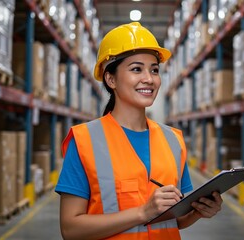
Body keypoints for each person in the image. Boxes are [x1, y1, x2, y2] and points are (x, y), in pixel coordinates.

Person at [55, 22, 223, 240]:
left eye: (154, 70)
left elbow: (174, 219)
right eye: (136, 69)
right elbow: (70, 229)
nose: (149, 79)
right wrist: (142, 212)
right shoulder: (85, 140)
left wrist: (198, 212)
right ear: (111, 79)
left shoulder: (173, 140)